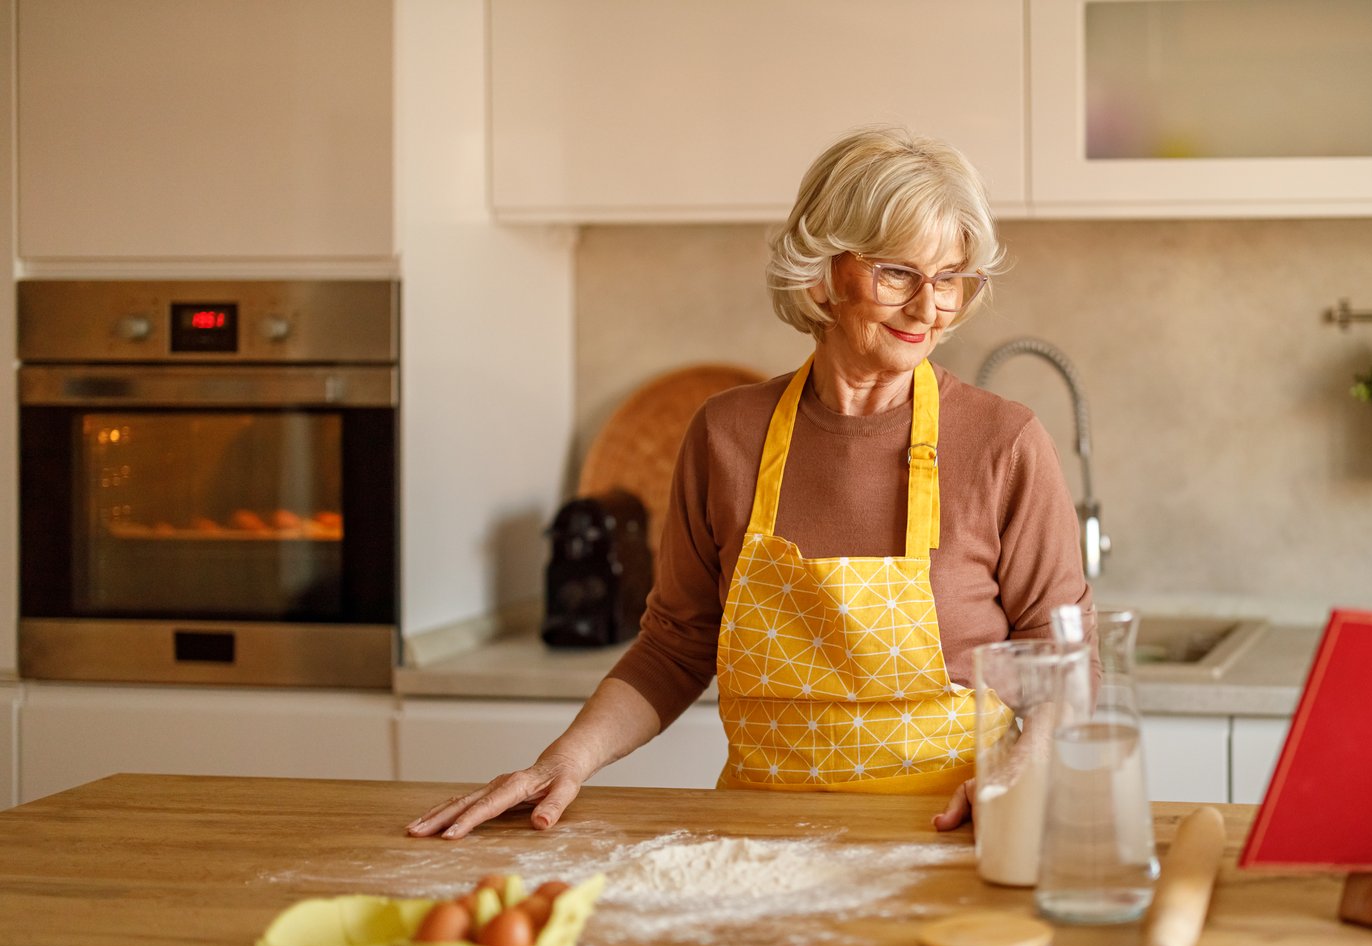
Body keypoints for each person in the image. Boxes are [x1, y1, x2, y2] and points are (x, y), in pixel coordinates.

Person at [407, 127, 1093, 841]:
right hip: (760, 845)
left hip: (955, 831)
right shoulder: (726, 435)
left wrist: (1021, 767)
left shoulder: (1003, 441)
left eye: (951, 277)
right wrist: (565, 759)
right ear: (822, 271)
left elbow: (1066, 654)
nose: (930, 308)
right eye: (899, 273)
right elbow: (677, 644)